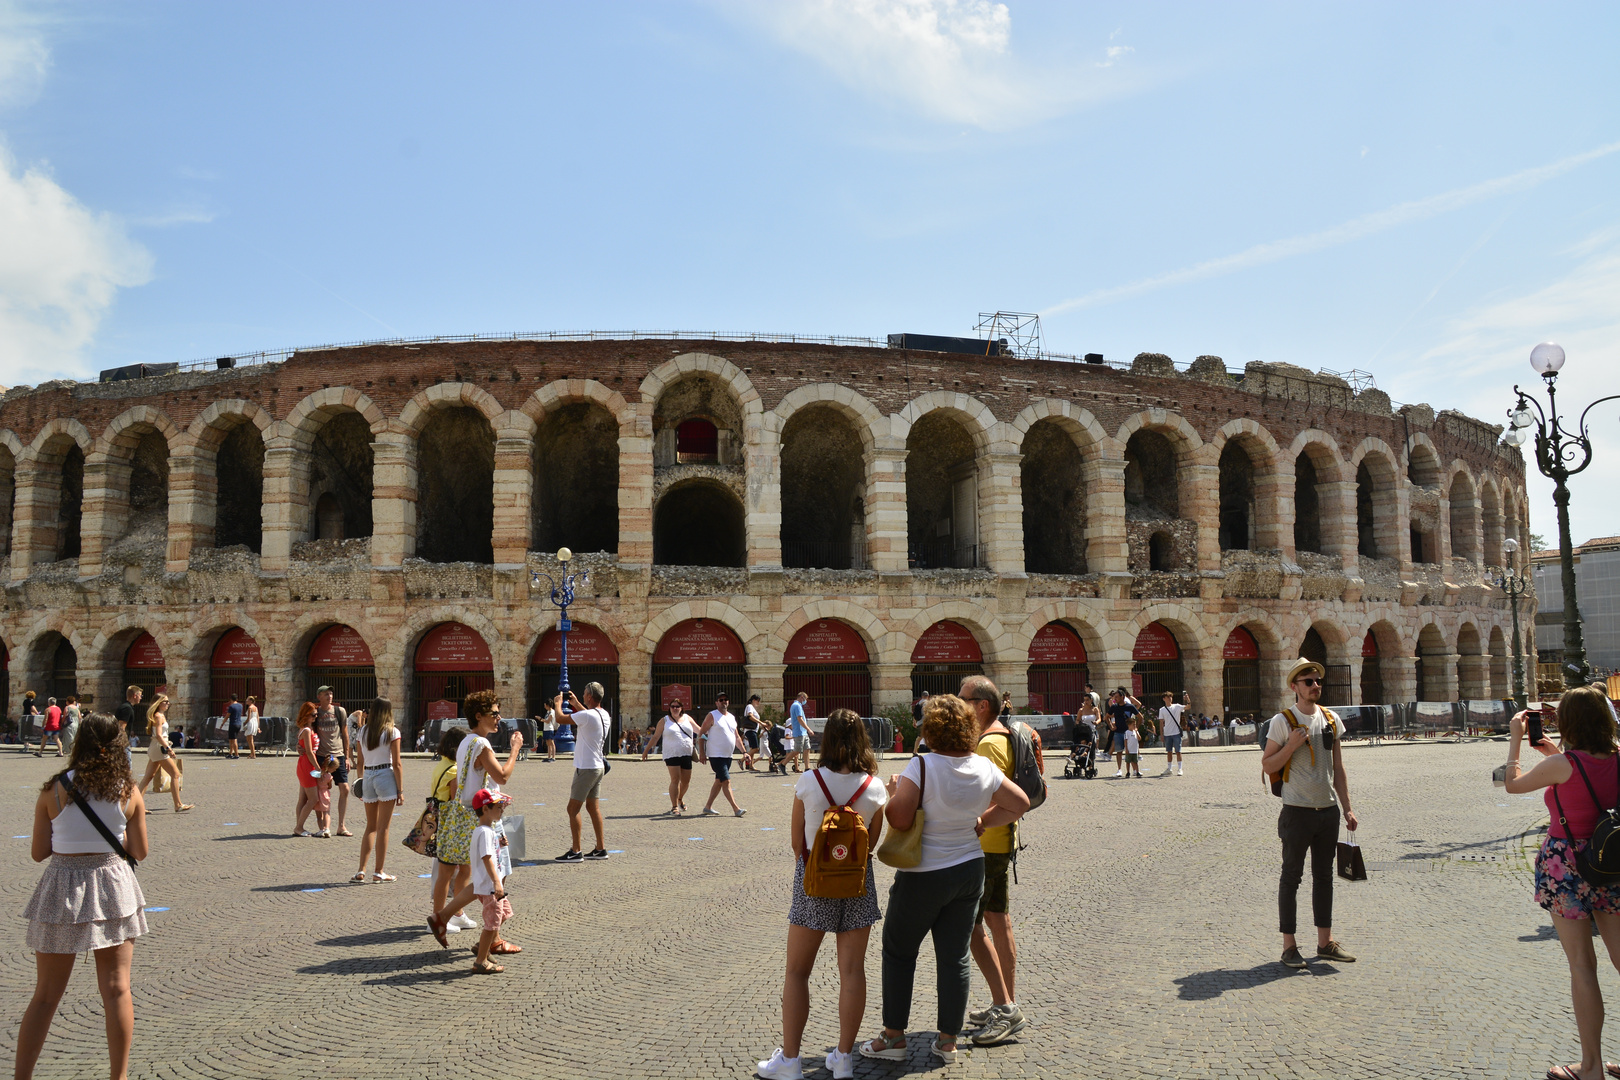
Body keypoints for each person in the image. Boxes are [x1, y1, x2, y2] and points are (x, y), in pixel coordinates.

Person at [859, 695, 1030, 1066]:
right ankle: (948, 1040)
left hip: (925, 873)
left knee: (899, 951)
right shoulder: (983, 766)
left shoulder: (923, 767)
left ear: (931, 728)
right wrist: (984, 820)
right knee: (954, 957)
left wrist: (893, 793)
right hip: (969, 868)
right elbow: (1020, 803)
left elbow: (901, 820)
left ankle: (893, 1037)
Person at [756, 709, 888, 1080]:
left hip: (813, 882)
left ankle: (791, 1061)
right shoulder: (875, 788)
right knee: (852, 971)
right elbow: (872, 844)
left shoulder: (809, 782)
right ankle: (843, 1058)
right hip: (858, 884)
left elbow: (797, 844)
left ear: (824, 738)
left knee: (797, 972)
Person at [17, 712, 149, 1080]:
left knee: (45, 995)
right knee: (117, 989)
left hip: (63, 884)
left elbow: (39, 852)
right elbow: (139, 850)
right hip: (112, 883)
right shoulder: (127, 790)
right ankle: (118, 1077)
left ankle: (21, 1076)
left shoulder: (55, 788)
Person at [1504, 686, 1620, 1080]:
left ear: (1568, 722)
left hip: (1567, 870)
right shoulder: (1618, 759)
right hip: (1612, 865)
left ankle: (1590, 1067)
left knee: (1583, 968)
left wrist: (1515, 741)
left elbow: (1513, 784)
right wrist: (1555, 756)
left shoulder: (1563, 765)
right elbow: (1589, 784)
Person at [1260, 658, 1358, 970]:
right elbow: (1268, 765)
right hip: (1296, 812)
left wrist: (1348, 808)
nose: (1315, 686)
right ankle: (1289, 947)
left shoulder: (1331, 719)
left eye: (1317, 681)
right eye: (1308, 682)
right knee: (1291, 877)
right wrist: (1290, 745)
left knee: (1325, 878)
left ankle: (1324, 942)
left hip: (1327, 811)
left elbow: (1338, 769)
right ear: (1295, 687)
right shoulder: (1282, 721)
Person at [961, 674, 1042, 1046]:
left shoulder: (990, 743)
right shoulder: (1000, 736)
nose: (958, 703)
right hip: (998, 841)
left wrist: (975, 821)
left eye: (963, 698)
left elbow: (997, 797)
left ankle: (1004, 1005)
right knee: (998, 920)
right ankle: (1005, 1003)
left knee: (972, 928)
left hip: (986, 844)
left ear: (981, 705)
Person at [428, 689, 523, 952]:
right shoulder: (481, 744)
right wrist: (515, 749)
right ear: (479, 716)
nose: (498, 718)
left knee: (484, 881)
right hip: (485, 818)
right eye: (494, 713)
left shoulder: (465, 742)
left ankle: (443, 917)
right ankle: (491, 941)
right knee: (495, 879)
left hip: (470, 815)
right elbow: (502, 776)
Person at [555, 682, 610, 862]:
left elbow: (561, 719)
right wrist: (577, 702)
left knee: (573, 809)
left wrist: (557, 704)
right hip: (598, 766)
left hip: (586, 767)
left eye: (584, 694)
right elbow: (586, 715)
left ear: (589, 697)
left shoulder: (587, 716)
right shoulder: (603, 714)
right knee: (593, 808)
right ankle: (600, 848)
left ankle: (576, 850)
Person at [352, 697, 404, 884]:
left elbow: (359, 762)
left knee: (370, 827)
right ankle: (379, 871)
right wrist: (400, 790)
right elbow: (397, 763)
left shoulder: (363, 731)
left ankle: (361, 870)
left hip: (368, 776)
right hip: (385, 774)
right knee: (384, 828)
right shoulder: (392, 731)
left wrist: (360, 783)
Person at [428, 726, 474, 934]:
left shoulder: (443, 764)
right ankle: (439, 917)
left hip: (444, 821)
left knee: (462, 869)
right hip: (452, 824)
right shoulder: (454, 770)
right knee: (448, 873)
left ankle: (457, 912)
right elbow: (457, 799)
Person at [467, 788, 516, 974]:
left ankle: (483, 947)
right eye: (498, 806)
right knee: (492, 923)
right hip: (490, 887)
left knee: (504, 913)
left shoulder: (486, 831)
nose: (502, 809)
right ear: (485, 809)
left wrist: (500, 844)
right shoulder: (485, 832)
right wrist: (497, 883)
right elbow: (486, 858)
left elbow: (489, 852)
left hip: (489, 886)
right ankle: (480, 961)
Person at [135, 695, 193, 814]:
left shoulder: (160, 716)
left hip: (157, 747)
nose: (168, 704)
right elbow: (159, 735)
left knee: (148, 777)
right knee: (175, 774)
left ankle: (137, 806)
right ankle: (178, 804)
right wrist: (168, 749)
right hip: (159, 748)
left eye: (168, 702)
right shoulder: (158, 716)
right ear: (159, 702)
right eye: (165, 702)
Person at [644, 697, 699, 815]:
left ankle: (679, 798)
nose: (675, 708)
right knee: (675, 779)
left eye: (677, 706)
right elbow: (655, 737)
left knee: (686, 781)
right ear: (669, 708)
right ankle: (674, 806)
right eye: (672, 706)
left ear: (681, 708)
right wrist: (646, 751)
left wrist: (713, 731)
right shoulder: (664, 720)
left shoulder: (687, 718)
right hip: (671, 754)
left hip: (686, 753)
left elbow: (699, 730)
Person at [697, 691, 747, 818]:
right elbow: (702, 734)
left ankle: (707, 807)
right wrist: (702, 752)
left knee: (719, 781)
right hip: (716, 755)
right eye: (721, 700)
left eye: (726, 699)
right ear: (716, 702)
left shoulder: (731, 717)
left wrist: (744, 752)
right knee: (726, 781)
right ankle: (736, 809)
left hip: (727, 755)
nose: (724, 701)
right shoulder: (712, 715)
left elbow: (736, 737)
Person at [312, 686, 353, 837]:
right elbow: (309, 731)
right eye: (325, 694)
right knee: (322, 790)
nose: (329, 696)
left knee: (345, 789)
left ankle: (341, 825)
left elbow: (345, 734)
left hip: (338, 755)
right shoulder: (316, 713)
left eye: (330, 693)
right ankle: (324, 826)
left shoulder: (339, 711)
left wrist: (347, 757)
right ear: (319, 697)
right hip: (322, 756)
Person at [292, 702, 327, 837]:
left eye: (316, 715)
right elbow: (309, 751)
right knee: (313, 799)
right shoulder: (306, 730)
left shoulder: (308, 728)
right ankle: (299, 827)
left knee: (302, 798)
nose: (315, 717)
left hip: (305, 763)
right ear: (306, 715)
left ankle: (298, 826)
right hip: (307, 764)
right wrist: (318, 768)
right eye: (313, 715)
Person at [1106, 689, 1141, 778]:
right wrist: (1111, 726)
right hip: (1118, 732)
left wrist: (1136, 728)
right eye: (1114, 697)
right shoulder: (1114, 707)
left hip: (1129, 732)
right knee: (1119, 751)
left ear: (1123, 697)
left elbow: (1140, 717)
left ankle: (1134, 770)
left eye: (1117, 697)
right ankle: (1119, 769)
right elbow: (1107, 717)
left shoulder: (1130, 707)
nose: (1115, 699)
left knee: (1131, 752)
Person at [1157, 690, 1190, 777]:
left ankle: (1180, 769)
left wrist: (1188, 699)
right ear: (1164, 699)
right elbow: (1161, 723)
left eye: (1171, 697)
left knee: (1178, 751)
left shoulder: (1177, 706)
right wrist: (1161, 734)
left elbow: (1188, 707)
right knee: (1169, 752)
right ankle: (1169, 768)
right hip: (1167, 733)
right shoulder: (1162, 710)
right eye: (1168, 697)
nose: (1170, 698)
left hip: (1176, 733)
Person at [113, 686, 141, 762]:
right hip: (123, 743)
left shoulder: (127, 707)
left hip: (123, 742)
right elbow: (121, 727)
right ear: (135, 695)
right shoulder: (127, 708)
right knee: (127, 766)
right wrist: (123, 743)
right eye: (140, 695)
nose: (141, 698)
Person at [789, 692, 811, 773]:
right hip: (799, 732)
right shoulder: (797, 706)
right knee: (797, 750)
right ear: (802, 697)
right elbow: (800, 719)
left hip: (803, 732)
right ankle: (782, 764)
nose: (806, 701)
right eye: (805, 698)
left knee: (807, 749)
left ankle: (807, 768)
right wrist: (808, 729)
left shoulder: (798, 706)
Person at [742, 693, 764, 772]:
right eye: (758, 701)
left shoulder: (751, 707)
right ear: (754, 700)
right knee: (756, 748)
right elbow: (750, 716)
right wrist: (761, 722)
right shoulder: (750, 706)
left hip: (753, 730)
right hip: (750, 730)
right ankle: (741, 760)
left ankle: (751, 765)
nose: (758, 703)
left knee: (752, 749)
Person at [225, 693, 244, 759]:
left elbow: (227, 715)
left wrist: (223, 723)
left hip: (233, 724)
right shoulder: (240, 706)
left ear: (231, 699)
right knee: (231, 739)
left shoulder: (231, 706)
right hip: (238, 723)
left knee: (234, 740)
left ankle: (236, 754)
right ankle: (230, 753)